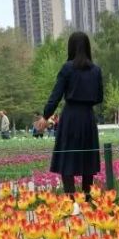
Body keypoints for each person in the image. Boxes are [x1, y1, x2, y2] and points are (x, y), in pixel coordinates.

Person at [38, 31, 102, 207]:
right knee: (87, 157)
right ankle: (87, 199)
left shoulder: (67, 68)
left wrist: (46, 115)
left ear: (71, 47)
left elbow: (56, 94)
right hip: (88, 117)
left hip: (71, 117)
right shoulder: (96, 70)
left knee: (67, 158)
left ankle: (70, 200)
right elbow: (99, 97)